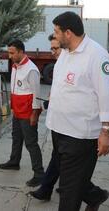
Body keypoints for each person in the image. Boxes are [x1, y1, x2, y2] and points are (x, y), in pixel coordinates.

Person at [46, 11, 109, 211]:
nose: (55, 36)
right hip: (59, 129)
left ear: (68, 33)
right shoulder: (66, 53)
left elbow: (106, 95)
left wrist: (106, 131)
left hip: (80, 135)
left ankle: (90, 197)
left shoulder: (96, 55)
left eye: (57, 32)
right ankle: (95, 196)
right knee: (72, 179)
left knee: (68, 190)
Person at [0, 39, 44, 187]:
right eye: (9, 52)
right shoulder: (16, 66)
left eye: (12, 53)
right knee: (16, 138)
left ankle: (39, 174)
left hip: (27, 113)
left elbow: (36, 94)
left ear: (20, 52)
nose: (9, 55)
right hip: (17, 111)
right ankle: (14, 161)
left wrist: (35, 114)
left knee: (31, 143)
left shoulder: (31, 70)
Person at [29, 33, 61, 200]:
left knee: (63, 161)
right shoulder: (60, 66)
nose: (53, 52)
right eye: (51, 48)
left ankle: (93, 194)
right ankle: (47, 189)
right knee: (58, 158)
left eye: (56, 48)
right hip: (58, 123)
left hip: (74, 127)